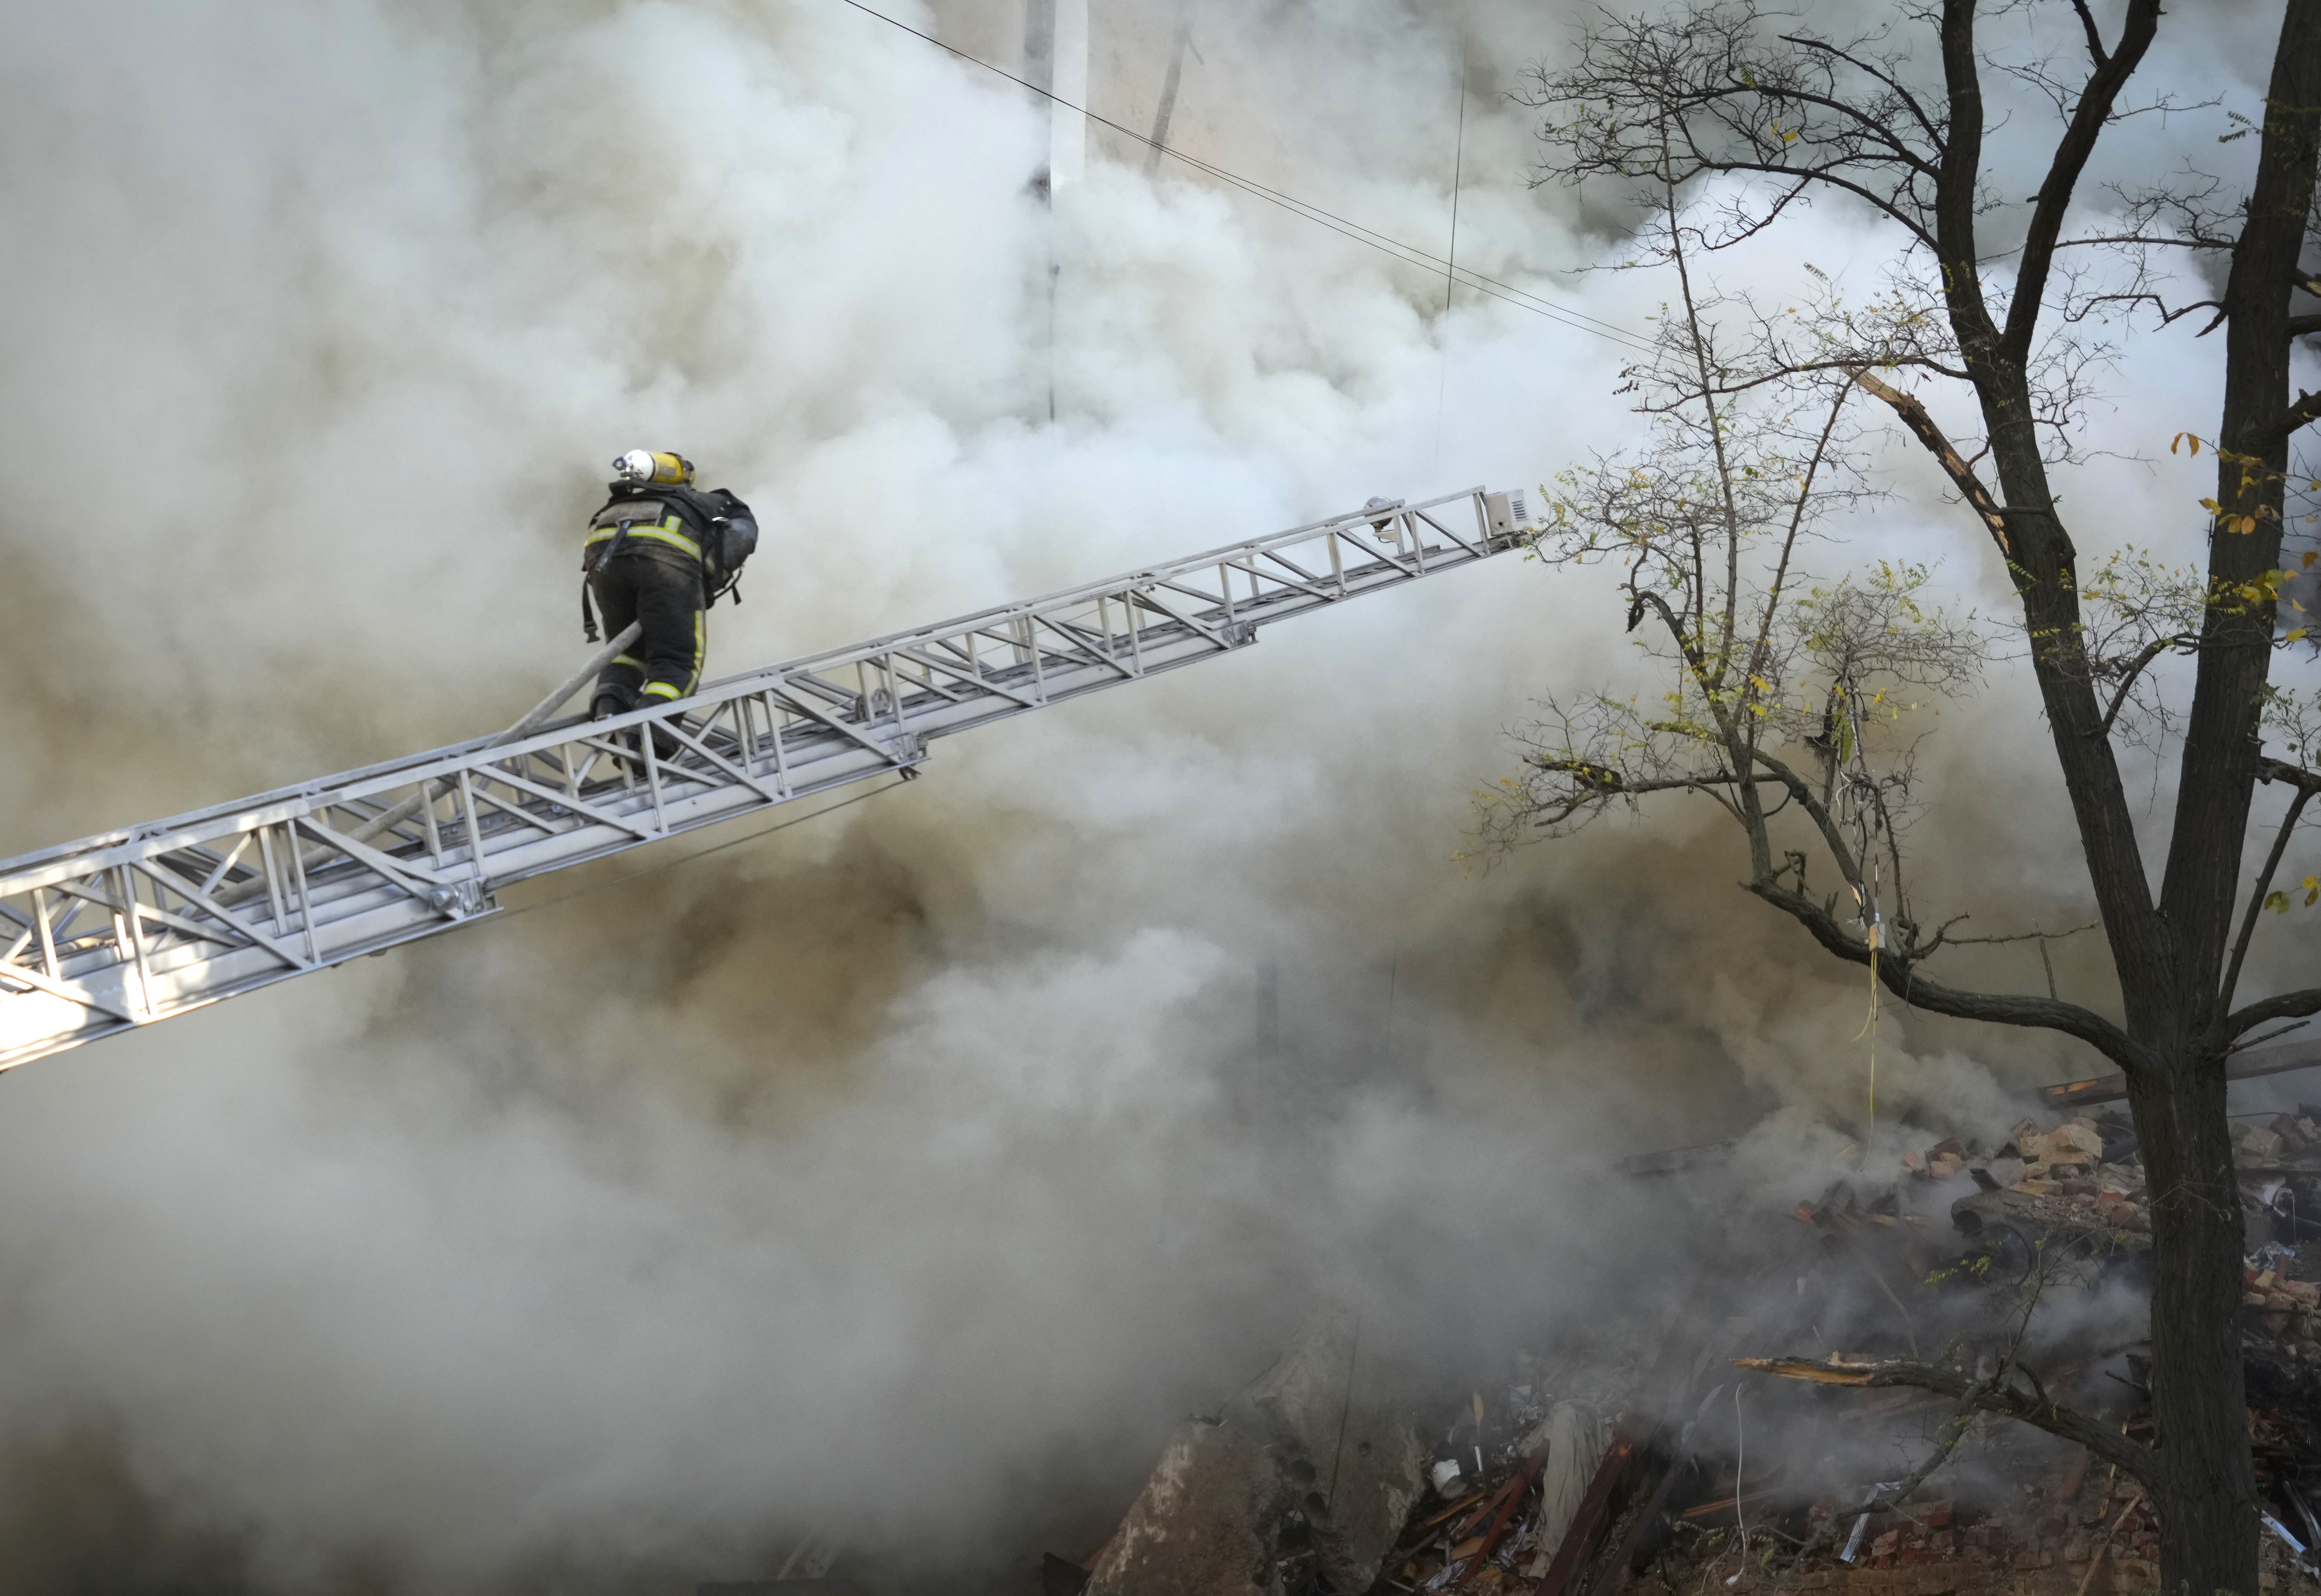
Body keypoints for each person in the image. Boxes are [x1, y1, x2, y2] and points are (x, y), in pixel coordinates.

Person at [581, 450, 757, 729]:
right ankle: (649, 745)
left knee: (627, 654)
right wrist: (708, 576)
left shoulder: (618, 507)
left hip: (603, 565)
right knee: (677, 662)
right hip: (663, 568)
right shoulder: (710, 502)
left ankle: (609, 714)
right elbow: (744, 533)